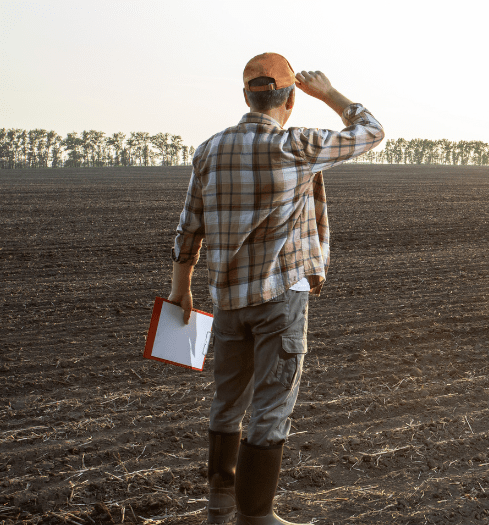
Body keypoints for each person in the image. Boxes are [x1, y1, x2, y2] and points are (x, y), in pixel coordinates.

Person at [168, 52, 384, 525]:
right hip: (279, 297)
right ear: (290, 100)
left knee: (227, 402)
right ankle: (256, 516)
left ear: (246, 95)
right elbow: (371, 130)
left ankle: (220, 507)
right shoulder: (297, 145)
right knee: (270, 405)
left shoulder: (209, 149)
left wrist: (179, 288)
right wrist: (329, 94)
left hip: (226, 300)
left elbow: (190, 226)